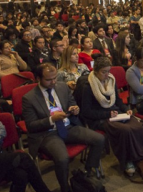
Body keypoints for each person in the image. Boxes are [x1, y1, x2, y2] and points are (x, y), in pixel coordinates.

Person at [22, 63, 105, 192]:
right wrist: (51, 119)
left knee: (99, 139)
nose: (53, 82)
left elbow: (72, 104)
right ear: (38, 78)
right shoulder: (29, 98)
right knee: (62, 158)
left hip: (68, 126)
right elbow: (31, 126)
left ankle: (87, 172)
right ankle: (65, 188)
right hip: (48, 133)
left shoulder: (62, 87)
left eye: (55, 78)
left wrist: (75, 109)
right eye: (48, 79)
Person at [79, 56, 143, 177]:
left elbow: (118, 102)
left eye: (108, 71)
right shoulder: (88, 85)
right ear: (96, 71)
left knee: (137, 126)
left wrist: (126, 110)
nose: (107, 74)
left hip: (114, 113)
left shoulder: (111, 80)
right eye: (103, 72)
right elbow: (86, 112)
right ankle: (128, 161)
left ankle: (140, 157)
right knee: (125, 130)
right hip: (99, 118)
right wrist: (108, 114)